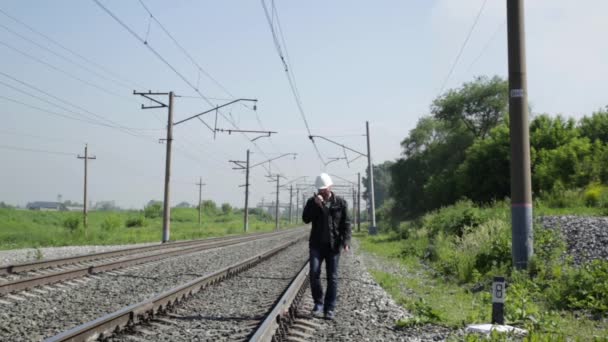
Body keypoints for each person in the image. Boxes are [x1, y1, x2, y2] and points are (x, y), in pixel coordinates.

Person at [302, 173, 351, 320]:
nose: (322, 191)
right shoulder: (312, 202)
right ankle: (318, 304)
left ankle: (330, 308)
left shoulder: (341, 203)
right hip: (316, 245)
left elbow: (346, 224)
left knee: (333, 278)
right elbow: (305, 219)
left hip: (333, 246)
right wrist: (316, 206)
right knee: (314, 274)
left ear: (330, 186)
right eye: (320, 189)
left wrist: (346, 242)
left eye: (324, 189)